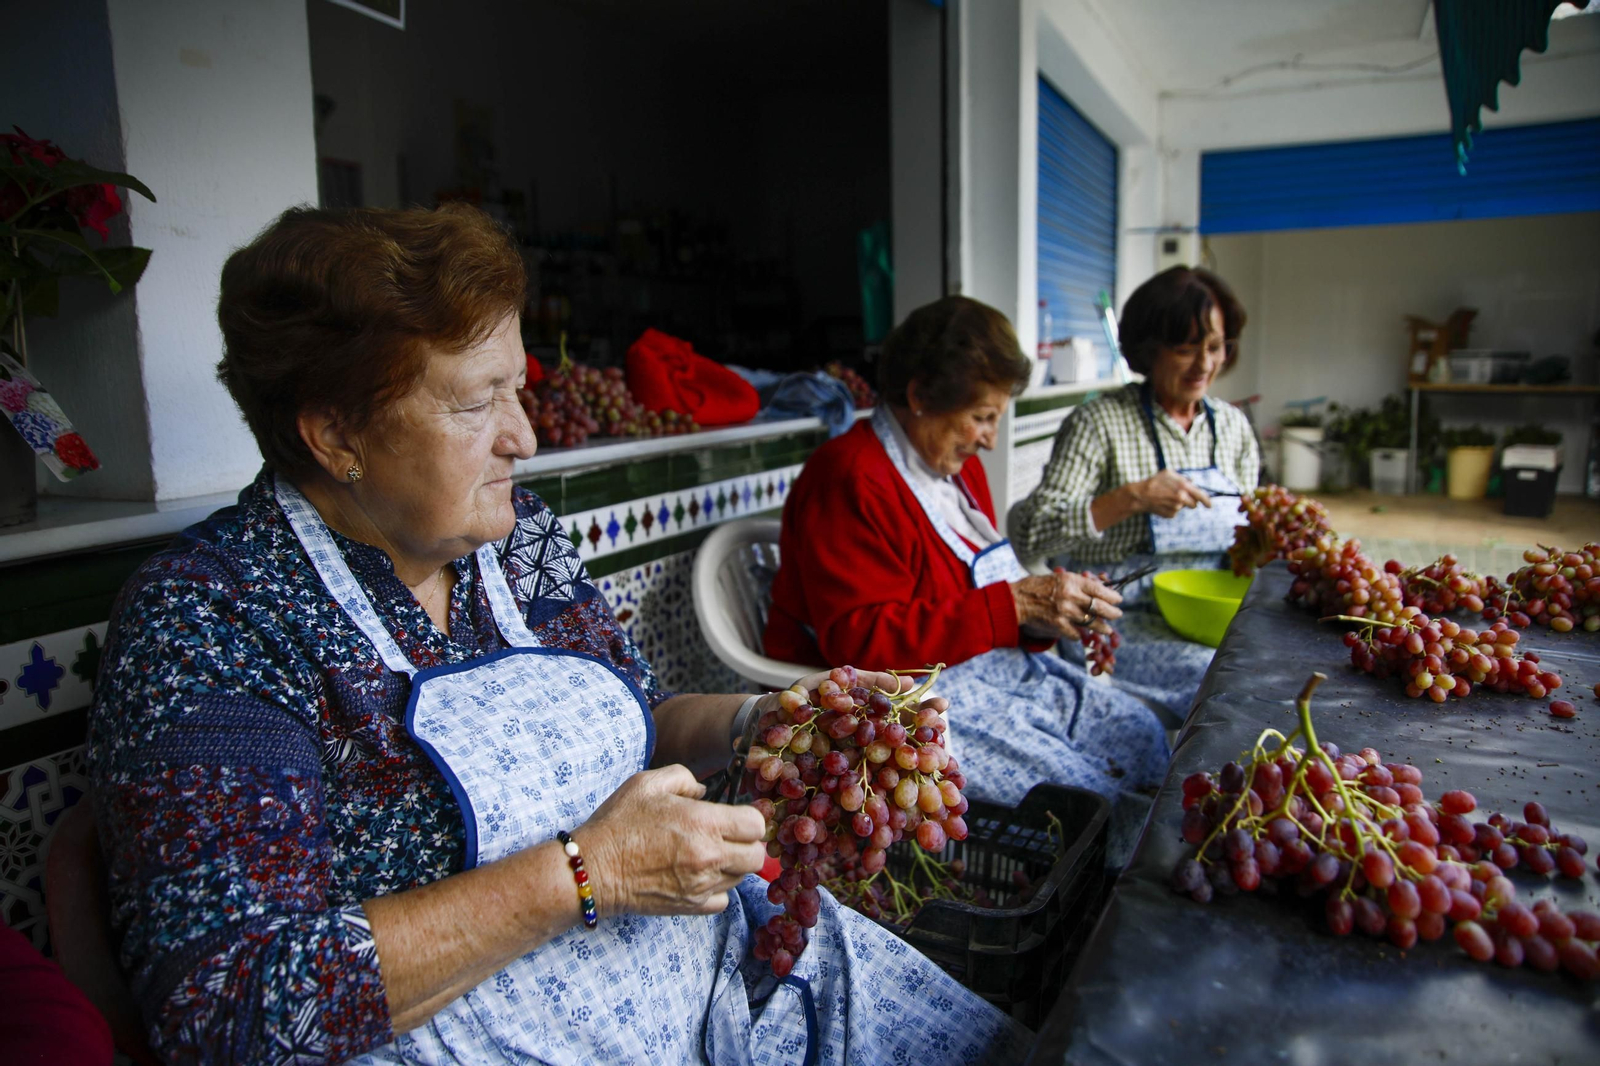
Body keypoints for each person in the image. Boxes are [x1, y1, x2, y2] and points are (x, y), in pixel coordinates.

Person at [86, 205, 1029, 1065]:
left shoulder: (517, 537)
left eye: (521, 390)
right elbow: (230, 1009)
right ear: (337, 432)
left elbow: (641, 719)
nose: (525, 437)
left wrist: (762, 718)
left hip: (720, 980)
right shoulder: (213, 619)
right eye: (474, 403)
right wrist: (587, 874)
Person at [764, 296, 1169, 852]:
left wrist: (1047, 614)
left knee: (1141, 735)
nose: (990, 439)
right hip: (906, 703)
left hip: (995, 674)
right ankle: (1099, 921)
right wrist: (1018, 605)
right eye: (982, 417)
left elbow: (981, 591)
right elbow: (861, 648)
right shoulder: (849, 477)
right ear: (920, 396)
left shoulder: (956, 471)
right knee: (1091, 799)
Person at [1008, 266, 1260, 724]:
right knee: (1217, 682)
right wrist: (1130, 498)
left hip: (1211, 614)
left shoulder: (1232, 428)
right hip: (1120, 619)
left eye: (1215, 347)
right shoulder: (1099, 423)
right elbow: (1030, 536)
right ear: (1149, 350)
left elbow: (1247, 542)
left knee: (1261, 675)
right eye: (1186, 349)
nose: (1204, 365)